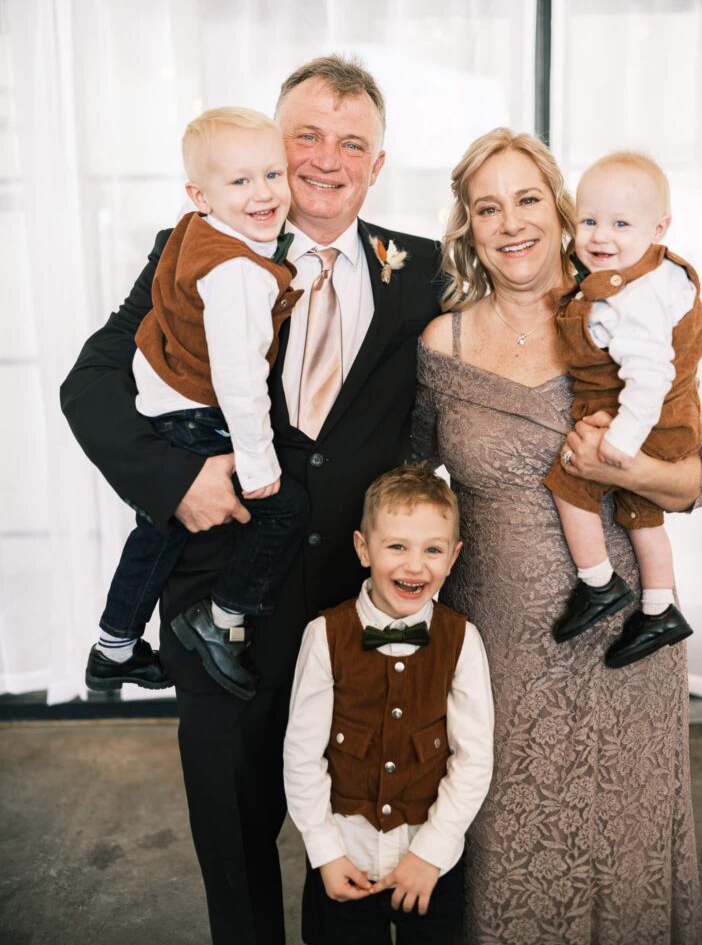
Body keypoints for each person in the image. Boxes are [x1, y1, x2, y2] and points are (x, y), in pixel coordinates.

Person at [60, 55, 443, 945]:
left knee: (356, 837)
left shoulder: (424, 270)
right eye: (305, 135)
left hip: (357, 605)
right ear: (274, 141)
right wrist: (174, 482)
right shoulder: (194, 243)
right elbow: (91, 384)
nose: (326, 159)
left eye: (352, 143)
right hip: (216, 599)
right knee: (233, 847)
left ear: (379, 164)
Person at [414, 128, 702, 945]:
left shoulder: (629, 312)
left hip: (628, 648)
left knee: (624, 854)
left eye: (527, 200)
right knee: (512, 855)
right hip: (500, 654)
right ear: (469, 228)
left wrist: (628, 468)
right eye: (488, 208)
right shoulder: (441, 343)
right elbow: (407, 480)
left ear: (560, 212)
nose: (511, 223)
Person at [85, 107, 307, 701]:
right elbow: (239, 377)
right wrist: (257, 463)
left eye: (273, 174)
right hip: (200, 412)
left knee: (157, 534)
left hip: (166, 404)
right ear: (199, 195)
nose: (263, 193)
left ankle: (113, 646)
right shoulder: (239, 271)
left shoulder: (194, 233)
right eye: (240, 181)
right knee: (285, 509)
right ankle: (222, 616)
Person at [283, 465, 494, 944]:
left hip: (430, 864)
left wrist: (431, 854)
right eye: (397, 546)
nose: (415, 566)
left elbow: (474, 758)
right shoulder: (324, 636)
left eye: (432, 550)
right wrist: (325, 852)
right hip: (345, 858)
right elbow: (302, 757)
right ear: (363, 549)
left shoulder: (462, 640)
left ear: (453, 557)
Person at [543, 152, 702, 668]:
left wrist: (620, 443)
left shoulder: (633, 298)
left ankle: (598, 582)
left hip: (644, 424)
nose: (600, 237)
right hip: (672, 424)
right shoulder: (663, 275)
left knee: (570, 481)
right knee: (642, 515)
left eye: (620, 224)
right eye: (588, 221)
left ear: (658, 228)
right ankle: (660, 608)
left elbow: (651, 374)